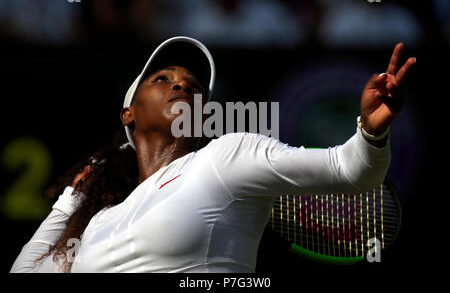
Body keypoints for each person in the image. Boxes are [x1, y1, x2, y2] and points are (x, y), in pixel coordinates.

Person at [10, 36, 415, 273]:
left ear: (204, 115)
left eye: (193, 86)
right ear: (128, 113)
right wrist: (71, 199)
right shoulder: (98, 223)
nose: (181, 86)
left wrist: (371, 129)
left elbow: (350, 171)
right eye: (163, 79)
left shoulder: (228, 157)